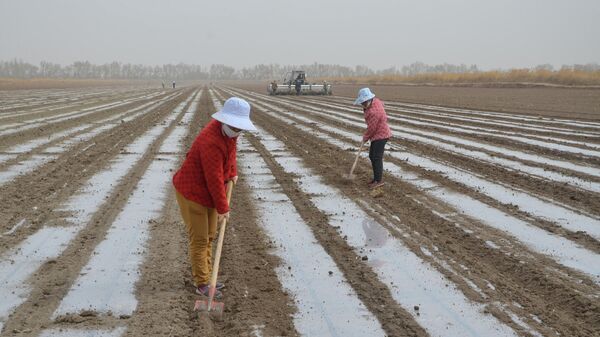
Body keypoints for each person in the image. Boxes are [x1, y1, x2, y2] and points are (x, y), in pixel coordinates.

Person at [172, 97, 257, 297]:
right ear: (225, 121)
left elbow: (231, 155)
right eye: (235, 127)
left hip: (207, 193)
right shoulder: (211, 142)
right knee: (201, 239)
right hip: (192, 192)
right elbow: (214, 179)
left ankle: (209, 277)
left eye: (240, 128)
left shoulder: (229, 134)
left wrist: (233, 172)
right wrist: (223, 208)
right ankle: (202, 283)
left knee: (211, 234)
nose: (238, 131)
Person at [354, 88, 391, 189]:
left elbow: (372, 129)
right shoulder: (375, 101)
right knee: (372, 156)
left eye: (363, 102)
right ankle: (375, 179)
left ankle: (378, 181)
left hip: (381, 135)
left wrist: (365, 138)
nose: (362, 104)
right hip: (377, 134)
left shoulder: (373, 112)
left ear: (367, 100)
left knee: (376, 157)